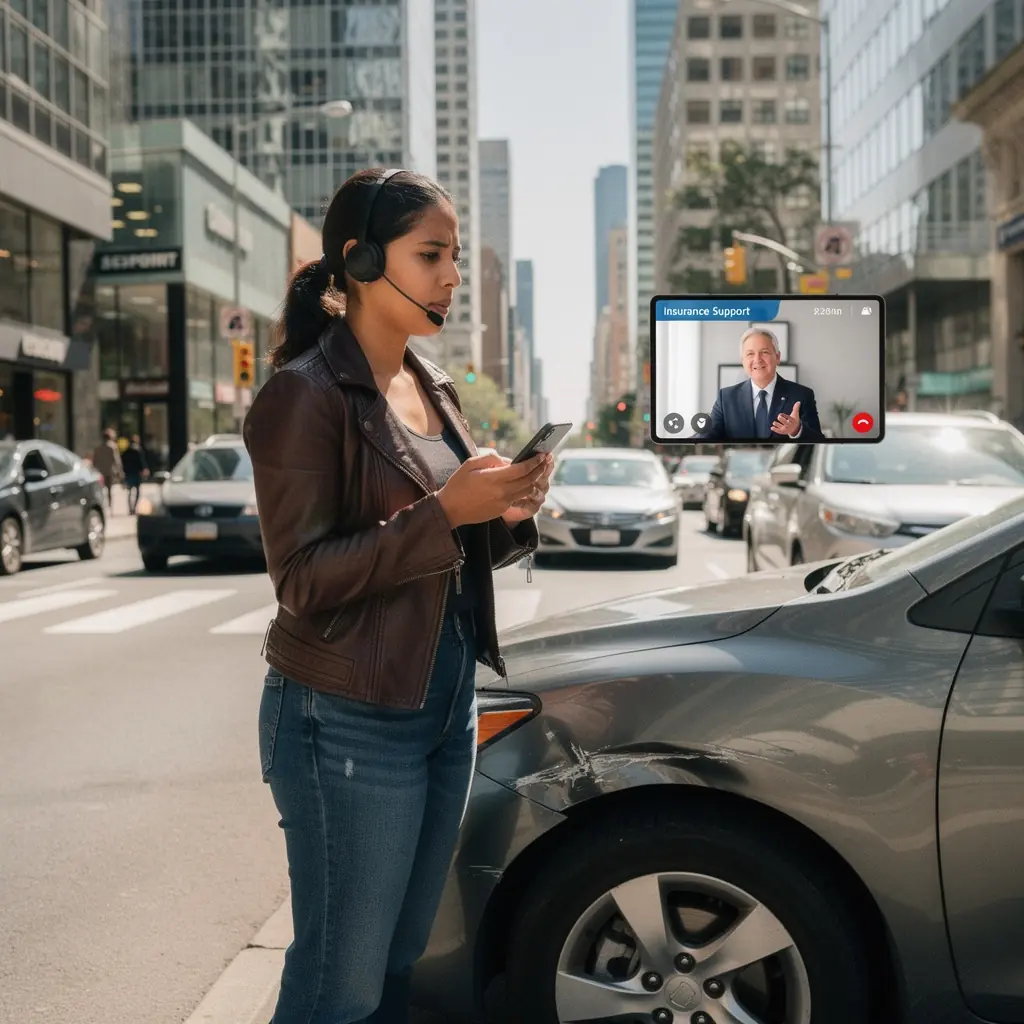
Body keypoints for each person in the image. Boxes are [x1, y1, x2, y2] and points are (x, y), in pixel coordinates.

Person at [243, 167, 552, 1024]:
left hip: (441, 700)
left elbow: (449, 538)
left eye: (454, 255)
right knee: (338, 981)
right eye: (432, 255)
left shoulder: (433, 384)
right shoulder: (301, 395)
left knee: (397, 962)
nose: (451, 273)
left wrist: (506, 505)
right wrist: (445, 509)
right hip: (344, 718)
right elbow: (302, 579)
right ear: (362, 259)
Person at [693, 326, 824, 442]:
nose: (757, 360)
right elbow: (707, 435)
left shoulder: (802, 395)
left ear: (777, 357)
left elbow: (819, 441)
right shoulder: (726, 397)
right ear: (742, 361)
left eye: (764, 352)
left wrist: (797, 430)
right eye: (750, 354)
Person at [90, 428, 123, 508]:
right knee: (109, 489)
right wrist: (120, 471)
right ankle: (110, 504)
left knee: (101, 488)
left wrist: (93, 470)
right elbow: (117, 460)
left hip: (100, 471)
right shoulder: (112, 447)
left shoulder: (98, 448)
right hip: (109, 471)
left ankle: (102, 503)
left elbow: (94, 460)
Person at [121, 434, 149, 514]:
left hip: (129, 472)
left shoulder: (126, 451)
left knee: (130, 491)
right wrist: (144, 469)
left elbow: (123, 462)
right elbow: (141, 461)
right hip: (136, 472)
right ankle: (134, 507)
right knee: (137, 491)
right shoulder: (138, 450)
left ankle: (130, 508)